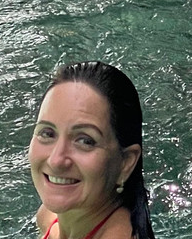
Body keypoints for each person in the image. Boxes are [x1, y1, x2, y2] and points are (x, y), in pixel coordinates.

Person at [29, 61, 156, 239]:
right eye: (47, 133)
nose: (56, 160)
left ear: (126, 163)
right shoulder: (49, 217)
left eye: (85, 141)